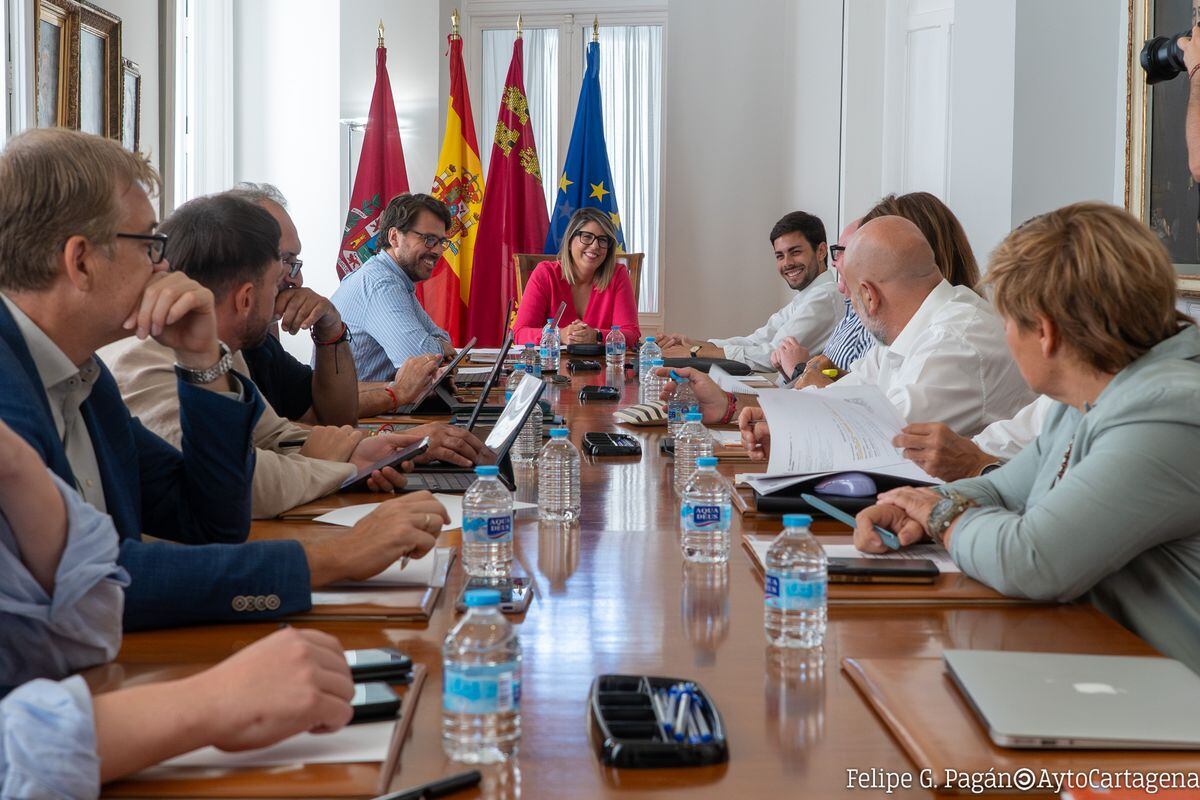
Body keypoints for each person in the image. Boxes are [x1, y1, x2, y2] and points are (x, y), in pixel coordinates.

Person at [0, 128, 448, 630]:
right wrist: (336, 557)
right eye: (150, 243)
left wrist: (201, 360)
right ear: (80, 260)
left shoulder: (86, 377)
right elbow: (93, 580)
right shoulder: (11, 390)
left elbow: (209, 519)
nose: (165, 265)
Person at [853, 202, 1200, 674]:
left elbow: (1031, 559)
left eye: (1009, 321)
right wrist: (914, 502)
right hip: (1108, 660)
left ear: (1047, 333)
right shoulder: (1092, 392)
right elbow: (1005, 487)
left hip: (1173, 698)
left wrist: (939, 512)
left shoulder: (1167, 410)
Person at [0, 419, 358, 796]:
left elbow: (89, 621)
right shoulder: (18, 382)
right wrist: (208, 702)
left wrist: (21, 471)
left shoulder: (88, 382)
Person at [101, 193, 485, 519]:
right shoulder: (147, 359)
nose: (295, 281)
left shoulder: (221, 351)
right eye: (284, 265)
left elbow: (275, 434)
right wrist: (347, 465)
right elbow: (237, 482)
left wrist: (370, 447)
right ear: (247, 295)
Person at [665, 216, 1034, 447]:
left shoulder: (956, 339)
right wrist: (729, 405)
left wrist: (773, 414)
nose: (842, 293)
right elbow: (841, 398)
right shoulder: (906, 332)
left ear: (869, 296)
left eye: (848, 286)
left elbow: (878, 434)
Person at [230, 183, 442, 421]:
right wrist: (397, 394)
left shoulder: (260, 346)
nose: (297, 280)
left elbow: (327, 416)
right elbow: (425, 358)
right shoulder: (206, 357)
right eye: (286, 260)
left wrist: (330, 327)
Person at [776, 193, 982, 382]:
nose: (840, 262)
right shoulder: (901, 328)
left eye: (847, 251)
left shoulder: (951, 338)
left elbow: (891, 417)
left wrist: (804, 375)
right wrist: (832, 379)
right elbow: (865, 383)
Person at [656, 211, 842, 371]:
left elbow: (772, 355)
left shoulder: (825, 297)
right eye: (780, 256)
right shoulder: (806, 297)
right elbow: (755, 341)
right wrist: (693, 344)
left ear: (821, 251)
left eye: (795, 252)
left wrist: (694, 353)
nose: (787, 263)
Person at [331, 192, 456, 382]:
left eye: (441, 242)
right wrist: (439, 346)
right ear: (394, 237)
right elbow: (421, 361)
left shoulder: (395, 279)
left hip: (374, 404)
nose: (438, 251)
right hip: (353, 410)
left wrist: (437, 343)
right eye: (429, 239)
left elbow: (442, 337)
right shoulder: (382, 285)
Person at [513, 207, 641, 346]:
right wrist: (558, 335)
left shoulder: (617, 275)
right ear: (569, 241)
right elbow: (520, 333)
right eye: (586, 237)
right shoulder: (545, 273)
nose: (594, 246)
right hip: (551, 365)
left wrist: (597, 335)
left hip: (603, 366)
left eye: (603, 240)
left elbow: (631, 333)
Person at [771, 217, 870, 379]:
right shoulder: (851, 310)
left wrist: (799, 370)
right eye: (780, 256)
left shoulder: (826, 295)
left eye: (842, 252)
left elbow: (851, 395)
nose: (834, 262)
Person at [895, 395, 1054, 481]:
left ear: (1045, 337)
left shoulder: (957, 341)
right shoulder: (1056, 403)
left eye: (1008, 332)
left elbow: (1044, 521)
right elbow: (995, 446)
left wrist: (976, 467)